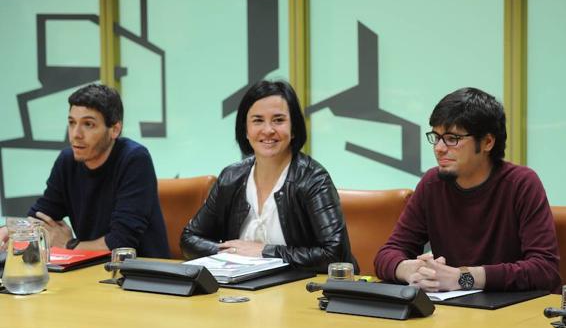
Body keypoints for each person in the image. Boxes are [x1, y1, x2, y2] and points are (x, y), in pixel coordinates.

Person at [374, 87, 560, 292]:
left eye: (452, 139)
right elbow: (387, 253)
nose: (439, 148)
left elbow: (545, 270)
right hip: (451, 313)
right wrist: (409, 269)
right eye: (436, 137)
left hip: (510, 313)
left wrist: (463, 278)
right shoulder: (432, 184)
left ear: (488, 142)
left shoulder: (521, 184)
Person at [180, 80, 358, 273]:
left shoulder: (313, 179)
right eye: (257, 120)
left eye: (278, 120)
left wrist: (264, 251)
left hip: (301, 291)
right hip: (242, 291)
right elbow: (189, 239)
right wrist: (233, 252)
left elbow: (334, 254)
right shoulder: (231, 177)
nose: (268, 130)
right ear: (245, 130)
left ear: (294, 128)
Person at [1, 84, 169, 257]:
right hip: (90, 269)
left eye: (88, 124)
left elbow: (120, 243)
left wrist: (69, 244)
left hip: (141, 275)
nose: (76, 134)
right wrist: (10, 230)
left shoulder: (134, 159)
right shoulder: (67, 161)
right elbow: (41, 216)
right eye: (72, 123)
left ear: (115, 130)